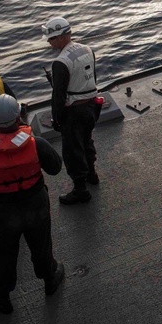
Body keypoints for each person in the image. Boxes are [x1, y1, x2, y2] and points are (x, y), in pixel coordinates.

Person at [0, 95, 66, 313]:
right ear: (19, 117)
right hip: (36, 208)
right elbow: (56, 167)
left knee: (5, 255)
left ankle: (2, 295)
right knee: (42, 247)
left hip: (1, 214)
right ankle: (50, 279)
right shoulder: (36, 143)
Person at [43, 17, 101, 205]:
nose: (48, 41)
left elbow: (58, 95)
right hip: (92, 106)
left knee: (72, 150)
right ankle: (92, 174)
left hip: (74, 112)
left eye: (50, 38)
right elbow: (92, 77)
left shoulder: (60, 62)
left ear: (60, 37)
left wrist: (57, 119)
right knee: (87, 140)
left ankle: (80, 189)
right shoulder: (88, 49)